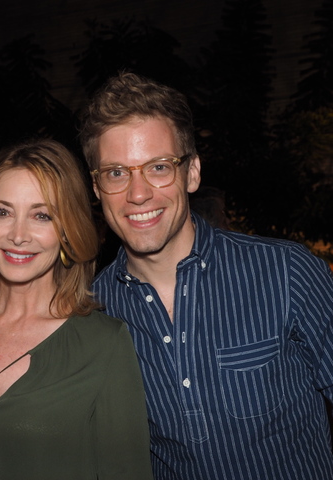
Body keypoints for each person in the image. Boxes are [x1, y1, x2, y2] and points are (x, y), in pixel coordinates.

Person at [79, 71, 333, 480]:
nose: (138, 193)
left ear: (192, 172)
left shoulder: (287, 272)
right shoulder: (90, 310)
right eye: (116, 173)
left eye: (158, 167)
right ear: (96, 188)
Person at [0, 138, 153, 480]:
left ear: (67, 230)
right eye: (2, 212)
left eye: (41, 215)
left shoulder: (103, 344)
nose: (18, 235)